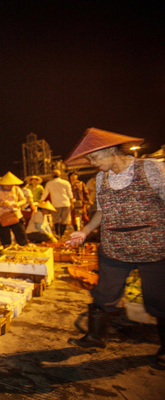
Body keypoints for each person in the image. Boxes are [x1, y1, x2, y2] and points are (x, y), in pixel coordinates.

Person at [65, 127, 165, 370]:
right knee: (104, 294)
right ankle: (96, 338)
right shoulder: (101, 178)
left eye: (93, 157)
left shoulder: (151, 168)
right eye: (88, 158)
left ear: (110, 150)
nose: (91, 162)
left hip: (153, 248)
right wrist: (85, 231)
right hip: (115, 247)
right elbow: (102, 211)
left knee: (160, 299)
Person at [0, 172, 29, 247]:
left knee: (22, 237)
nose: (10, 186)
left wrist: (18, 204)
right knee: (5, 239)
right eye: (8, 185)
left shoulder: (16, 189)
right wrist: (1, 204)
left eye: (11, 185)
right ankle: (7, 251)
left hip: (16, 216)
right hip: (2, 217)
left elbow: (23, 200)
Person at [40, 170, 73, 238]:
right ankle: (62, 233)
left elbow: (45, 193)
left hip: (56, 204)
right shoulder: (66, 182)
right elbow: (70, 194)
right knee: (65, 219)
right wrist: (71, 202)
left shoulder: (49, 183)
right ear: (60, 175)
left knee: (56, 219)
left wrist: (41, 200)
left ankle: (57, 234)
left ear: (52, 175)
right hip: (66, 203)